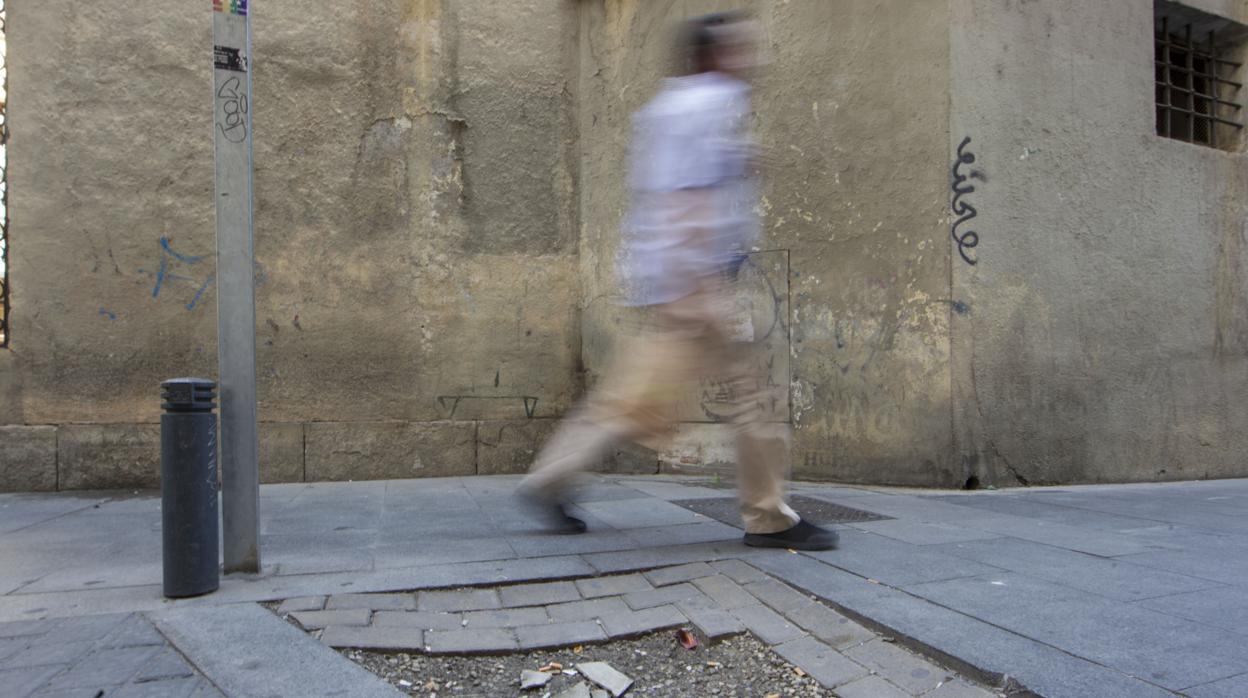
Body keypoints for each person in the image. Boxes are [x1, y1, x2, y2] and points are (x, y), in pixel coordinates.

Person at [518, 12, 837, 551]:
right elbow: (685, 198)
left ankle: (549, 479)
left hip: (678, 281)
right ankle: (769, 518)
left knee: (631, 400)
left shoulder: (670, 107)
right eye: (738, 50)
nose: (749, 60)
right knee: (751, 402)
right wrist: (700, 287)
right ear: (711, 56)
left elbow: (679, 183)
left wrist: (737, 163)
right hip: (697, 282)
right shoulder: (711, 102)